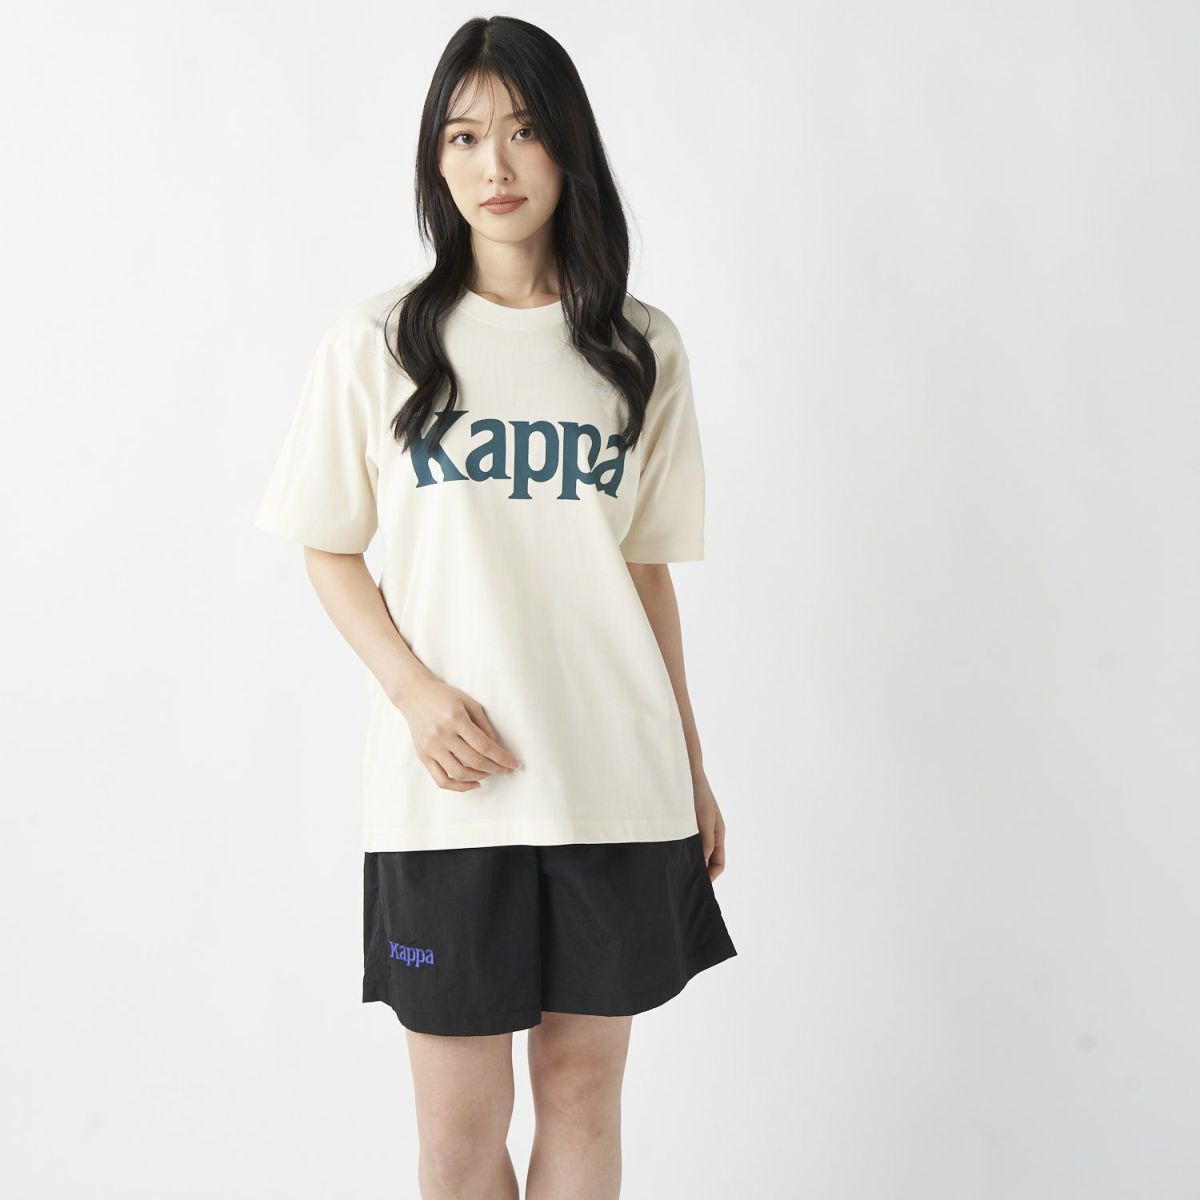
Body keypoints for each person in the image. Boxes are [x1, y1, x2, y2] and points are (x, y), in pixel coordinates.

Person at [254, 15, 736, 1199]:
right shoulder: (379, 343)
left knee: (581, 1092)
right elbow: (327, 547)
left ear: (569, 146)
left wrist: (691, 765)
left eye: (523, 132)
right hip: (448, 797)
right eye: (464, 137)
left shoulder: (639, 347)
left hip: (612, 781)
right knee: (460, 1132)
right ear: (436, 159)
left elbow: (645, 574)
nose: (495, 165)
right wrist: (414, 693)